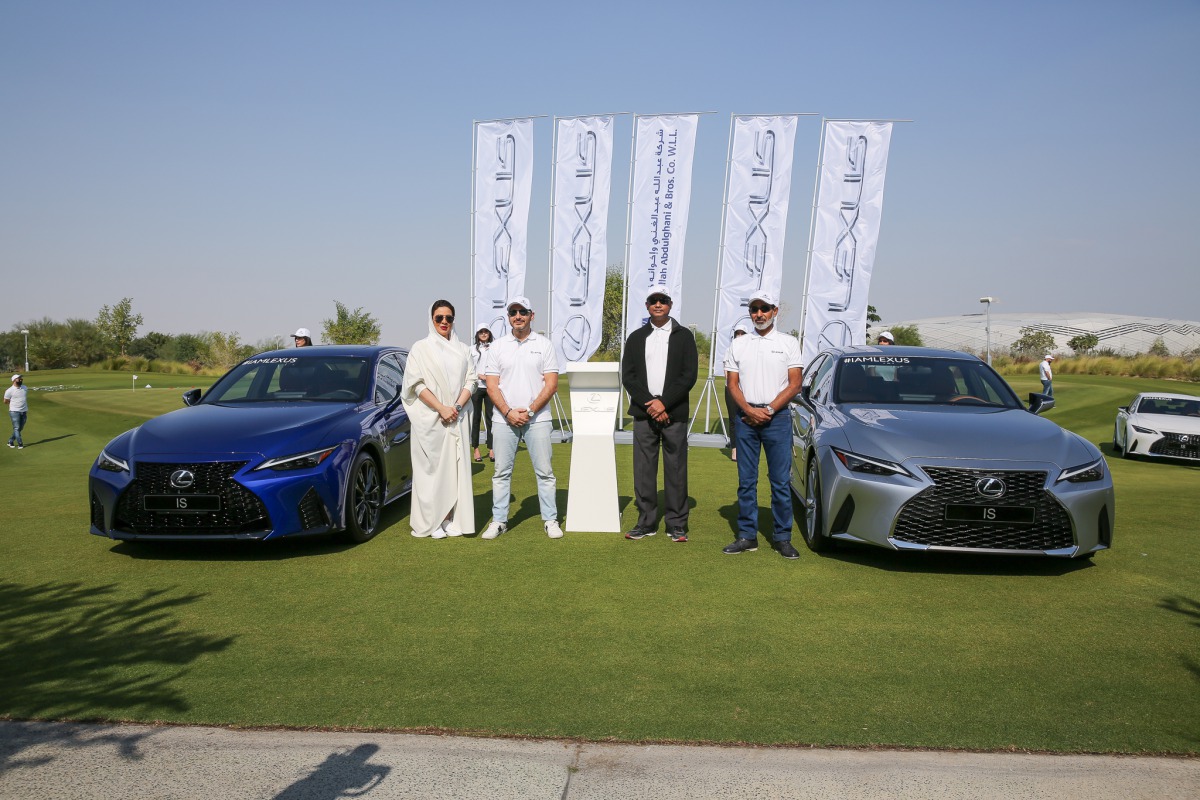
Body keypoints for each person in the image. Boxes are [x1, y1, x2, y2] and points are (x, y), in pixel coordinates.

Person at [722, 290, 804, 559]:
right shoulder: (738, 344)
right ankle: (747, 536)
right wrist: (748, 409)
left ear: (774, 311)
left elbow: (795, 384)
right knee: (746, 482)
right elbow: (732, 384)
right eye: (754, 308)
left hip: (776, 418)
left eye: (764, 308)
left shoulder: (789, 342)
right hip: (745, 419)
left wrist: (768, 409)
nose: (759, 313)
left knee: (780, 481)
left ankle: (783, 537)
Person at [481, 296, 563, 540]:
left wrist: (528, 411)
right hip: (503, 419)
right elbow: (492, 386)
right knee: (501, 473)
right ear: (508, 316)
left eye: (522, 312)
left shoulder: (544, 344)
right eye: (513, 312)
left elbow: (551, 385)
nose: (518, 316)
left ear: (531, 315)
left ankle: (550, 519)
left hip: (537, 419)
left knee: (545, 472)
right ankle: (499, 520)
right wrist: (508, 412)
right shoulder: (497, 347)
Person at [621, 289, 699, 542]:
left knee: (676, 468)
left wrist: (663, 403)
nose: (658, 305)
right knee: (644, 469)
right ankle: (646, 522)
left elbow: (688, 376)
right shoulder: (636, 337)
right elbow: (629, 377)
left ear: (670, 305)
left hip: (673, 413)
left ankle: (676, 524)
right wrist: (651, 404)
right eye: (653, 301)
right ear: (647, 306)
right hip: (644, 413)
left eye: (662, 301)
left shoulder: (684, 336)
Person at [400, 301, 476, 539]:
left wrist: (455, 407)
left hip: (459, 416)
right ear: (431, 319)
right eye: (439, 317)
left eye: (449, 318)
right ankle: (433, 521)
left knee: (457, 467)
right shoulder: (420, 348)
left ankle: (453, 518)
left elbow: (471, 381)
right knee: (431, 470)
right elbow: (415, 384)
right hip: (430, 418)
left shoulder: (464, 349)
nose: (444, 322)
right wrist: (441, 408)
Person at [724, 322, 749, 462]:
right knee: (733, 419)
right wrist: (733, 387)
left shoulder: (750, 350)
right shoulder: (729, 349)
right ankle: (734, 450)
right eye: (737, 334)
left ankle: (745, 448)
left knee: (746, 420)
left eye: (742, 334)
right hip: (731, 389)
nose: (739, 336)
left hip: (747, 390)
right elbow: (726, 371)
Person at [470, 326, 495, 463]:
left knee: (491, 418)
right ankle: (475, 448)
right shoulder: (471, 349)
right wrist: (478, 375)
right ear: (477, 334)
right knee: (476, 419)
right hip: (476, 388)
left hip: (490, 387)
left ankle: (491, 448)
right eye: (481, 332)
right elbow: (468, 368)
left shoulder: (495, 347)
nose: (484, 334)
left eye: (486, 332)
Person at [5, 374, 28, 449]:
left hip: (24, 411)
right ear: (14, 380)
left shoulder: (24, 387)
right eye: (19, 378)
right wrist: (14, 405)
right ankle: (20, 443)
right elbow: (5, 401)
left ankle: (10, 441)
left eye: (21, 378)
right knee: (16, 428)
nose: (21, 379)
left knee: (19, 428)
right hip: (14, 412)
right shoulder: (9, 390)